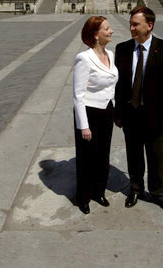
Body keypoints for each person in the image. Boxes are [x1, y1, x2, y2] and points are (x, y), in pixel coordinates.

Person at [114, 5, 163, 214]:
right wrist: (117, 113)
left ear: (149, 25)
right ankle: (135, 188)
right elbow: (119, 84)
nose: (131, 28)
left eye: (136, 24)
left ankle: (159, 193)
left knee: (155, 156)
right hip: (130, 113)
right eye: (130, 24)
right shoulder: (123, 49)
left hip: (155, 114)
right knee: (133, 155)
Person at [72, 16, 118, 214]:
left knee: (103, 154)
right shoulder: (84, 58)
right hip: (90, 113)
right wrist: (83, 125)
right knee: (86, 157)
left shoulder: (111, 54)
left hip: (107, 110)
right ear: (95, 34)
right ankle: (83, 196)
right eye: (107, 29)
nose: (111, 31)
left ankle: (99, 191)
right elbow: (78, 95)